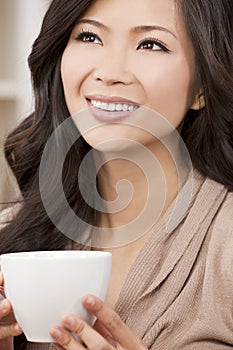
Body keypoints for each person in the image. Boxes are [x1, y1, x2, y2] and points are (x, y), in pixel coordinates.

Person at [0, 0, 232, 349]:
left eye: (151, 44)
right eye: (90, 37)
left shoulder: (224, 246)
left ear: (202, 85)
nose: (110, 71)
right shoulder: (11, 236)